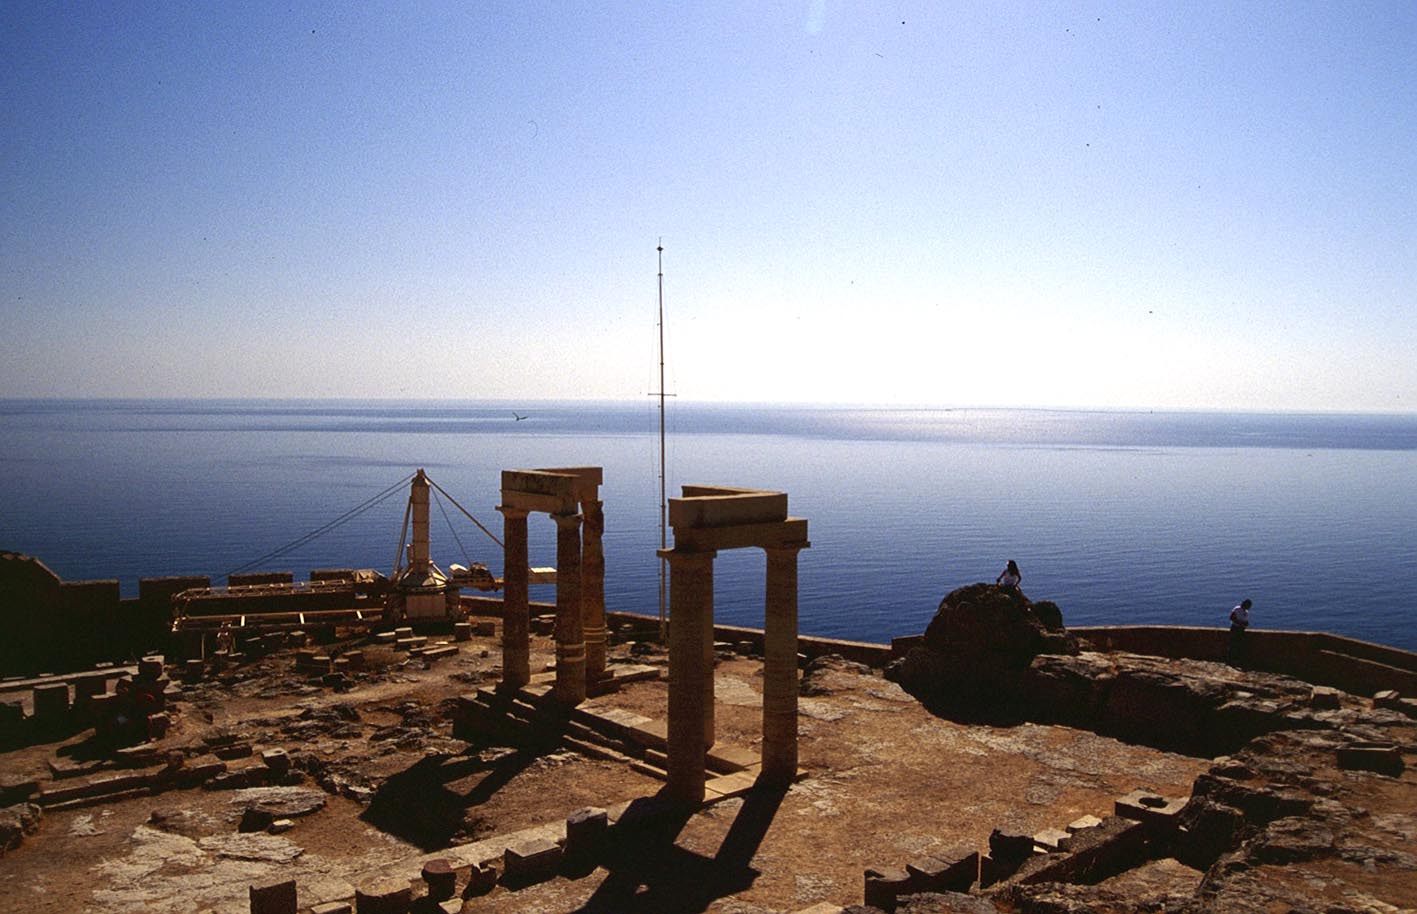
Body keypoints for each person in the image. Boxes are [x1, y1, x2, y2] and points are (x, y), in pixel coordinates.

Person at [1227, 599, 1252, 666]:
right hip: (1235, 628)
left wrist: (1245, 624)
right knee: (1233, 644)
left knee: (1239, 645)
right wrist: (1240, 623)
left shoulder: (1246, 612)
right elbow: (1232, 618)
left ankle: (1237, 660)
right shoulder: (1237, 609)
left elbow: (1245, 621)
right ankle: (1230, 660)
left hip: (1241, 630)